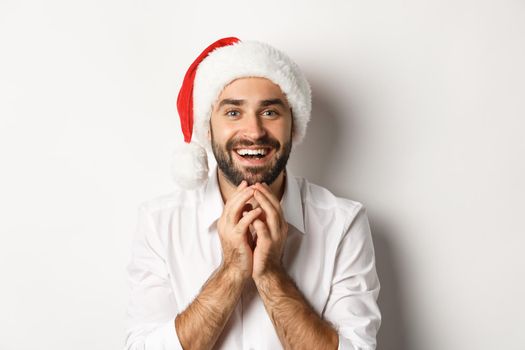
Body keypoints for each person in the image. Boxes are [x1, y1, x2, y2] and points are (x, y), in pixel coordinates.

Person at [125, 37, 381, 350]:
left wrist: (271, 275)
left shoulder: (343, 223)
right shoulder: (159, 223)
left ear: (293, 125)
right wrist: (232, 269)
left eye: (270, 112)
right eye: (233, 113)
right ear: (208, 127)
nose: (254, 131)